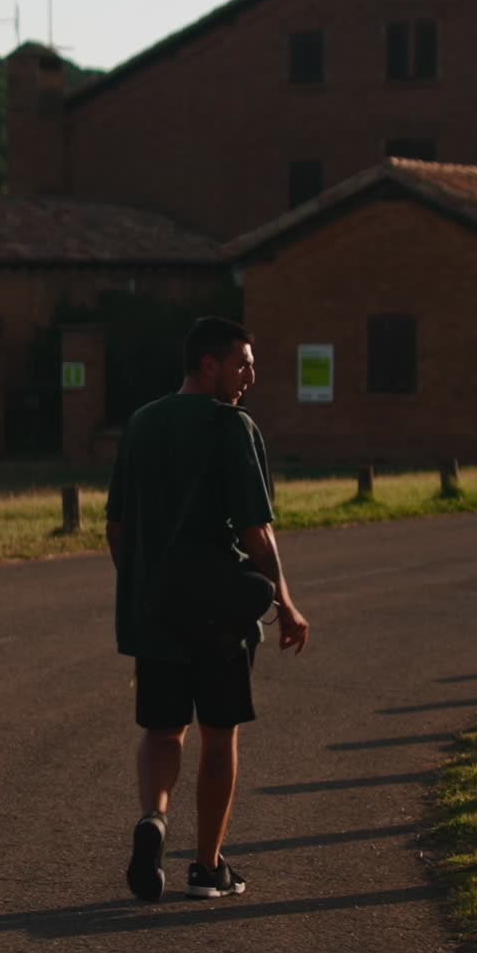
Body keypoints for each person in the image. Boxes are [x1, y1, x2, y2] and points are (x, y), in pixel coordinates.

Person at [106, 316, 309, 901]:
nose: (251, 375)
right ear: (208, 365)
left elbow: (118, 528)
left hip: (157, 611)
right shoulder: (231, 427)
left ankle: (153, 818)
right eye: (243, 363)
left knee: (163, 730)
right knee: (219, 738)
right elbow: (255, 531)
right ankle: (206, 867)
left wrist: (144, 590)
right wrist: (287, 604)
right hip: (221, 613)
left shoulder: (142, 424)